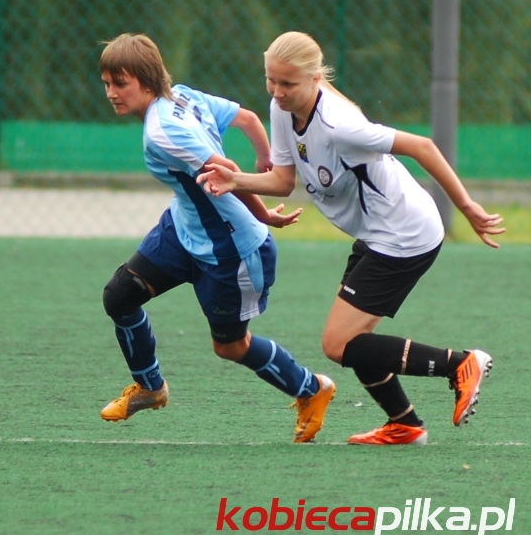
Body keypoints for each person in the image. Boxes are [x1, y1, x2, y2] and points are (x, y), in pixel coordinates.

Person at [197, 31, 505, 446]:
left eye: (287, 83)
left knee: (338, 343)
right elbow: (284, 180)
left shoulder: (340, 125)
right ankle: (404, 424)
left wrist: (466, 207)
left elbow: (423, 146)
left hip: (404, 234)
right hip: (376, 233)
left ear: (315, 78)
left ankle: (460, 364)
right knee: (354, 339)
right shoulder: (282, 108)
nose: (277, 91)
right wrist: (237, 180)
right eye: (271, 80)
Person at [97, 33, 336, 444]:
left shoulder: (162, 130)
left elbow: (222, 171)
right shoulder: (184, 96)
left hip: (230, 249)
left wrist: (263, 214)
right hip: (182, 229)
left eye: (121, 83)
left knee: (230, 346)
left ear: (147, 80)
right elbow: (249, 119)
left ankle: (311, 388)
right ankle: (151, 388)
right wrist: (266, 158)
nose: (111, 93)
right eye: (106, 83)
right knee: (119, 296)